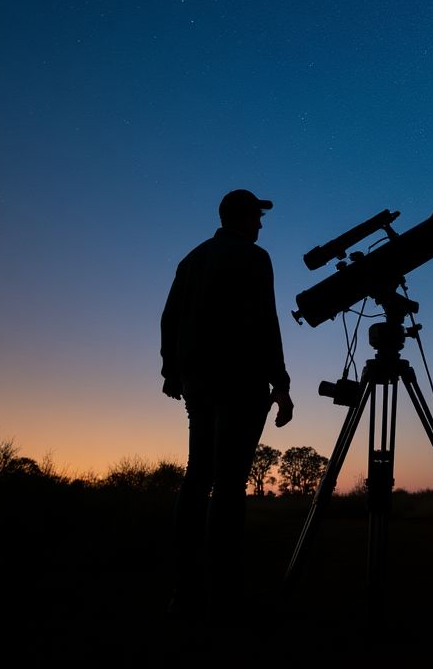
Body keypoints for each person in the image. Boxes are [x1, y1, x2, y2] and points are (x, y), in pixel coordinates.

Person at [160, 188, 293, 617]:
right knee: (230, 485)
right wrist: (281, 384)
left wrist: (171, 373)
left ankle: (186, 592)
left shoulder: (192, 259)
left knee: (197, 478)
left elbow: (169, 318)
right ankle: (224, 595)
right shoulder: (256, 259)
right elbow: (265, 322)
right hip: (242, 383)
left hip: (199, 386)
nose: (261, 224)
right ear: (243, 217)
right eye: (258, 216)